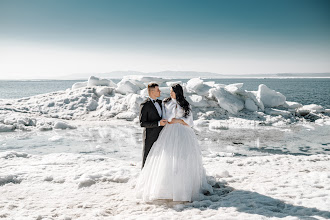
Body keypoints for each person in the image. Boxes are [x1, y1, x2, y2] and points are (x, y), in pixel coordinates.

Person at [136, 83, 213, 202]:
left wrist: (179, 120)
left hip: (183, 133)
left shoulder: (185, 104)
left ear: (177, 92)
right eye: (170, 91)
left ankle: (183, 186)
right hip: (168, 133)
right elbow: (161, 116)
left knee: (182, 157)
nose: (170, 93)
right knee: (166, 158)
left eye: (172, 91)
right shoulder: (165, 103)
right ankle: (165, 186)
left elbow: (190, 122)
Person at [139, 83, 168, 169]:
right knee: (147, 159)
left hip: (162, 135)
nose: (160, 91)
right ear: (152, 91)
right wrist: (158, 123)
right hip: (150, 137)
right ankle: (144, 179)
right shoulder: (145, 105)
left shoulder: (161, 102)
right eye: (158, 90)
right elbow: (142, 123)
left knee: (160, 159)